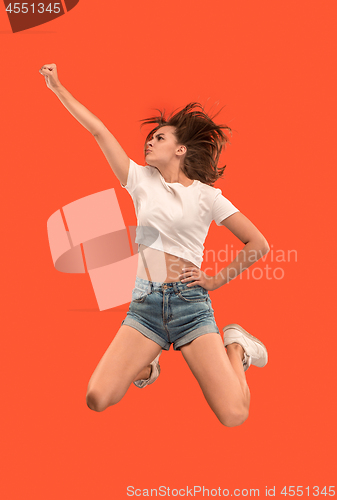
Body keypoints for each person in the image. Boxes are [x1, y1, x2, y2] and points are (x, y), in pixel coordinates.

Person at [39, 63, 270, 427]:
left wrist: (215, 280)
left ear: (180, 150)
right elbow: (99, 132)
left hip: (190, 306)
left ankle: (236, 347)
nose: (149, 142)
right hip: (146, 303)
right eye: (150, 138)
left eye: (160, 138)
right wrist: (57, 89)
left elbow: (258, 243)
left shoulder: (208, 197)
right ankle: (148, 363)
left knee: (234, 414)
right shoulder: (140, 180)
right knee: (97, 398)